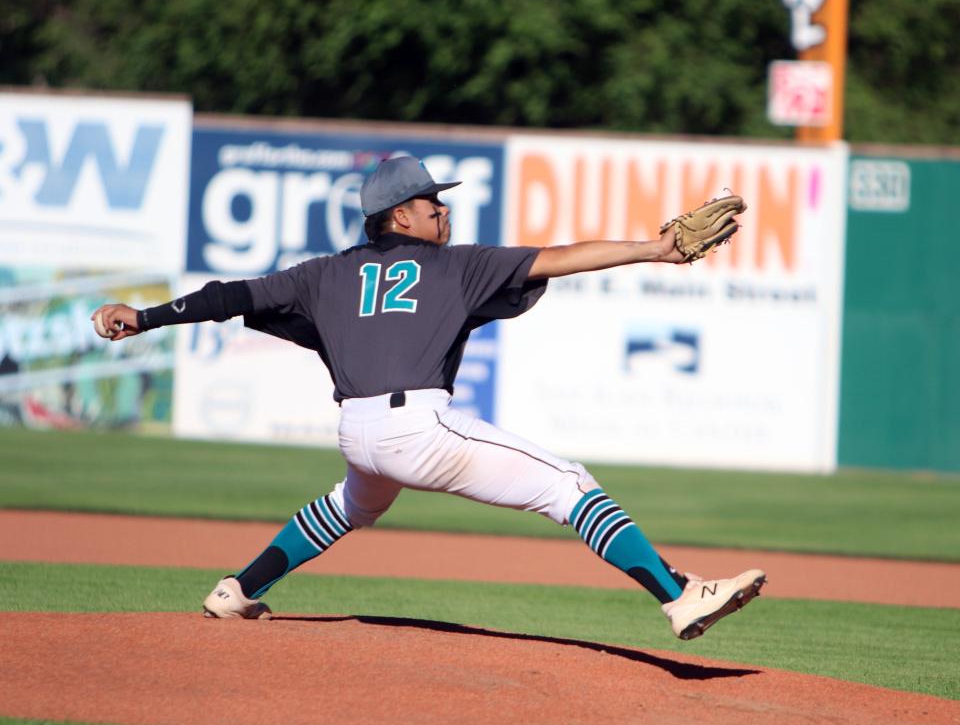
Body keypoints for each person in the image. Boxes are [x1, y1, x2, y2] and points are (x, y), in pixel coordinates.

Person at [93, 156, 764, 640]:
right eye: (430, 201)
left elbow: (227, 297)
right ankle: (678, 595)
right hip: (416, 429)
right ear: (400, 215)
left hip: (357, 430)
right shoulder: (455, 264)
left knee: (349, 505)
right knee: (569, 486)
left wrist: (145, 317)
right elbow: (563, 257)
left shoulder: (325, 273)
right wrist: (654, 249)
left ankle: (238, 590)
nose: (442, 208)